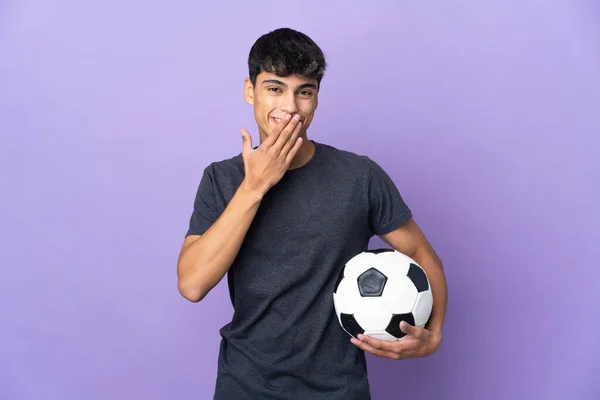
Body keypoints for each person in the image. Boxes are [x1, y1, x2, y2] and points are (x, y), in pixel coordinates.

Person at [177, 27, 448, 400]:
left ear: (316, 99)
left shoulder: (359, 176)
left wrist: (433, 335)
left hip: (338, 389)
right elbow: (192, 284)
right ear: (249, 91)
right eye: (275, 88)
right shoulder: (221, 179)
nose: (290, 106)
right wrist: (254, 185)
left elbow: (420, 254)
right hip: (245, 386)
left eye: (304, 91)